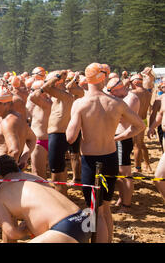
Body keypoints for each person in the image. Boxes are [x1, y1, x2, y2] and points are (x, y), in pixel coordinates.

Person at [66, 63, 145, 243]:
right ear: (103, 79)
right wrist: (118, 137)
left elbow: (70, 138)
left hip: (91, 162)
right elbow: (140, 125)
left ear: (87, 80)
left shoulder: (81, 104)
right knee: (106, 208)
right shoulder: (116, 103)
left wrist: (76, 120)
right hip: (110, 157)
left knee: (96, 211)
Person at [0, 154, 92, 243]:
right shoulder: (35, 178)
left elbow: (11, 233)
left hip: (62, 229)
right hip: (83, 220)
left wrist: (25, 229)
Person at [0, 84, 36, 242]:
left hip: (3, 173)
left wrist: (4, 175)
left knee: (6, 217)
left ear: (7, 104)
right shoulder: (18, 117)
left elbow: (13, 150)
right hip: (9, 171)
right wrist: (25, 157)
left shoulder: (7, 122)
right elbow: (32, 138)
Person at [106, 77, 140, 213]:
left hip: (123, 137)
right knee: (119, 172)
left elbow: (122, 118)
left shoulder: (131, 98)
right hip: (117, 136)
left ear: (120, 88)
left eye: (113, 92)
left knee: (125, 172)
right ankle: (122, 198)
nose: (112, 95)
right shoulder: (121, 98)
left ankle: (127, 204)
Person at [41, 70, 74, 196]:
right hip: (59, 135)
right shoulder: (62, 95)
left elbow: (45, 87)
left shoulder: (63, 95)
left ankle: (59, 199)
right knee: (61, 169)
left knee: (56, 174)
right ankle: (63, 196)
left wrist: (57, 77)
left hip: (57, 135)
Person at [27, 80, 52, 179]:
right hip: (44, 140)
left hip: (40, 142)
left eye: (33, 90)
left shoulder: (45, 103)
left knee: (38, 175)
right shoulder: (44, 103)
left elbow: (32, 98)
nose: (31, 92)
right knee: (41, 174)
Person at [130, 73, 153, 173]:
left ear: (134, 82)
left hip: (135, 121)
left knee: (136, 146)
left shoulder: (132, 93)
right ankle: (148, 165)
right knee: (141, 144)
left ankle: (137, 167)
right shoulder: (148, 93)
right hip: (143, 120)